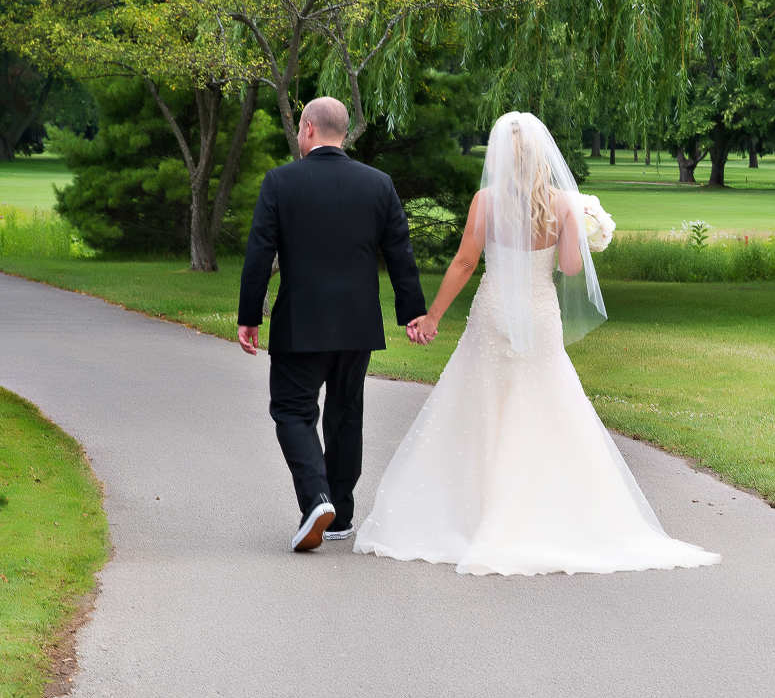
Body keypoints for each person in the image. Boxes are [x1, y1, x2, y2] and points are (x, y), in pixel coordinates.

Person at [353, 111, 720, 576]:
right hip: (540, 313)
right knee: (547, 404)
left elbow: (465, 263)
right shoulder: (564, 204)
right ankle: (544, 511)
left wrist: (432, 317)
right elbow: (569, 268)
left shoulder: (485, 201)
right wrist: (581, 227)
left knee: (481, 405)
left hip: (494, 313)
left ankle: (476, 511)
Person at [237, 97, 428, 552]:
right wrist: (412, 312)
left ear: (307, 129)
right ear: (342, 132)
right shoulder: (378, 184)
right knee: (346, 413)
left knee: (292, 410)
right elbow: (400, 253)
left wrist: (249, 316)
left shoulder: (281, 182)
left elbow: (260, 254)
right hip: (357, 323)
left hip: (300, 321)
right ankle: (339, 511)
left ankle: (316, 499)